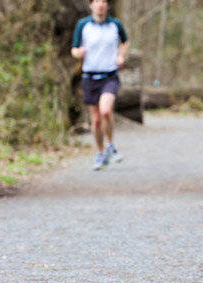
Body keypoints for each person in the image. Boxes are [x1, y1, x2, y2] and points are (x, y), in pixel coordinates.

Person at [71, 0, 129, 170]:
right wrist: (78, 53)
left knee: (105, 111)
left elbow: (125, 41)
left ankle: (110, 144)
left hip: (109, 76)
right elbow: (73, 48)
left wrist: (121, 56)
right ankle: (100, 152)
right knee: (95, 120)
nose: (100, 5)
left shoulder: (115, 25)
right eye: (97, 1)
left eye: (103, 1)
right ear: (91, 5)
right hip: (89, 77)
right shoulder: (83, 25)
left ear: (107, 5)